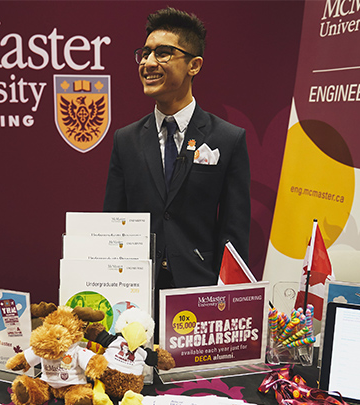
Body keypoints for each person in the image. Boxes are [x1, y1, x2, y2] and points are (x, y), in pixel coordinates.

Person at [103, 7, 251, 292]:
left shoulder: (228, 138)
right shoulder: (126, 139)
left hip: (200, 287)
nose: (148, 63)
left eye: (163, 53)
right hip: (137, 291)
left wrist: (228, 297)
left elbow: (234, 233)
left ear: (194, 65)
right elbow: (113, 223)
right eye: (145, 53)